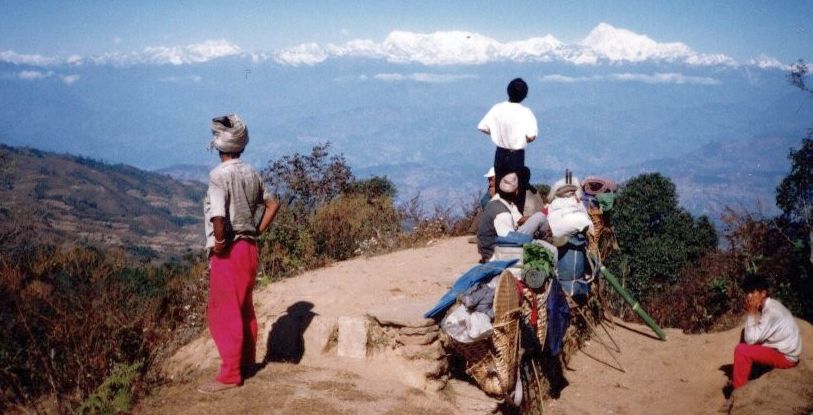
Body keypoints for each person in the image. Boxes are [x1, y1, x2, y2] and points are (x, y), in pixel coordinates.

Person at [199, 113, 280, 394]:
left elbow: (218, 216)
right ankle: (246, 362)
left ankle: (231, 373)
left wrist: (220, 242)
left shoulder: (219, 176)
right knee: (244, 307)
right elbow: (272, 204)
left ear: (219, 147)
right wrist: (257, 231)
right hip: (249, 249)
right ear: (240, 146)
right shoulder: (252, 172)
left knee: (224, 312)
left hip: (229, 250)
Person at [720, 273, 802, 412]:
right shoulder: (770, 307)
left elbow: (751, 339)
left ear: (763, 293)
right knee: (745, 337)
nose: (749, 297)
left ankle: (738, 394)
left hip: (786, 357)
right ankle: (745, 375)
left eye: (753, 292)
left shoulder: (772, 312)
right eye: (747, 293)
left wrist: (751, 313)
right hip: (779, 349)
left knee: (742, 350)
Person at [477, 77, 538, 211]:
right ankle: (515, 219)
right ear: (524, 95)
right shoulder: (526, 112)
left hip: (500, 153)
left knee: (501, 189)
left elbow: (483, 126)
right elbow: (531, 136)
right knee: (516, 189)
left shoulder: (497, 108)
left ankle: (499, 216)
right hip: (517, 155)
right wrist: (521, 139)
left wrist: (496, 134)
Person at [476, 172, 548, 263]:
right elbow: (508, 241)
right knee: (548, 249)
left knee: (539, 217)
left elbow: (518, 220)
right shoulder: (501, 213)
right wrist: (530, 241)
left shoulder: (501, 202)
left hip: (500, 243)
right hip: (495, 254)